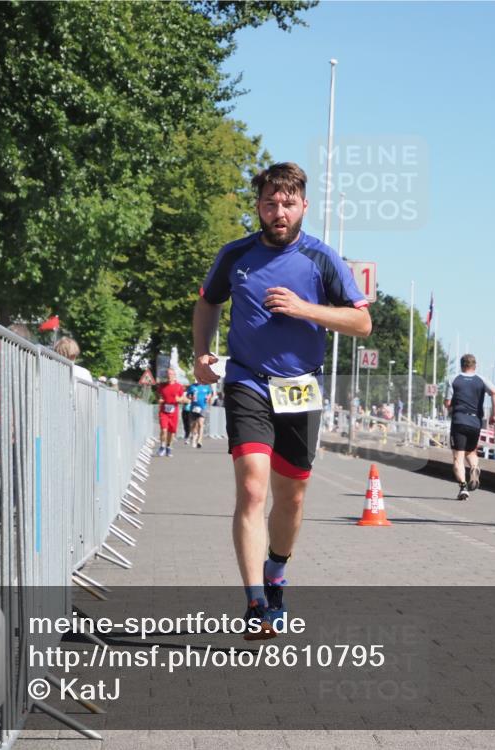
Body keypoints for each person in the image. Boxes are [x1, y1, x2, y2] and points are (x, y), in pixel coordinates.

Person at [192, 162, 371, 638]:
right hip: (248, 382)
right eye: (270, 203)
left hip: (300, 388)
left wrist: (304, 308)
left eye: (288, 203)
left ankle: (276, 574)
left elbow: (362, 323)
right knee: (252, 489)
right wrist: (201, 353)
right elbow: (208, 301)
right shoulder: (235, 255)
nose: (279, 212)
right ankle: (254, 604)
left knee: (291, 498)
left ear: (303, 206)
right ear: (258, 205)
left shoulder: (323, 259)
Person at [444, 354, 495, 501]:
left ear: (462, 365)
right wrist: (494, 414)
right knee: (470, 452)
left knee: (458, 457)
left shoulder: (453, 379)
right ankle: (474, 468)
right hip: (475, 422)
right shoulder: (481, 380)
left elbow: (448, 403)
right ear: (475, 366)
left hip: (459, 421)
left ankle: (463, 488)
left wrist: (452, 405)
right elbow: (494, 392)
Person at [156, 368, 189, 457]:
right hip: (163, 412)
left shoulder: (179, 386)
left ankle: (169, 447)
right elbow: (158, 397)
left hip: (174, 413)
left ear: (174, 376)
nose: (169, 376)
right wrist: (159, 400)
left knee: (172, 432)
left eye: (171, 374)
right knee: (164, 429)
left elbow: (186, 400)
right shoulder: (162, 386)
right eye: (168, 374)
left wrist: (180, 399)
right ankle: (162, 446)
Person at [187, 380, 214, 448]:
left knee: (200, 423)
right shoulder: (192, 386)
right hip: (194, 407)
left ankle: (199, 440)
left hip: (203, 407)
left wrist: (208, 397)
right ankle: (194, 437)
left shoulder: (207, 386)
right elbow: (188, 395)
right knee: (193, 424)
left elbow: (210, 393)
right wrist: (191, 397)